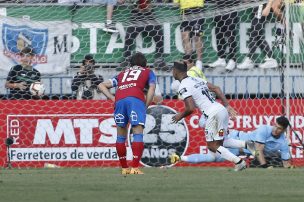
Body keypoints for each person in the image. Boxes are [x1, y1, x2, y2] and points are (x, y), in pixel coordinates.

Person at [171, 61, 256, 171]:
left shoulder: (183, 85)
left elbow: (190, 108)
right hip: (221, 109)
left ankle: (239, 162)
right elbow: (216, 88)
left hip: (213, 114)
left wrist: (180, 115)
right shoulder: (196, 79)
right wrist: (227, 106)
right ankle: (246, 144)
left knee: (212, 145)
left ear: (176, 71)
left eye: (172, 70)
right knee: (221, 141)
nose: (172, 72)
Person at [98, 52, 156, 175]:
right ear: (145, 64)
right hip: (135, 99)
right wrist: (145, 105)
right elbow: (152, 88)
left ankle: (124, 168)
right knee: (137, 132)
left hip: (120, 100)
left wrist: (113, 99)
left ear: (131, 64)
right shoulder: (148, 72)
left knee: (120, 135)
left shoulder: (122, 74)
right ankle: (135, 167)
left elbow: (101, 85)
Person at [171, 116, 294, 169]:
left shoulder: (283, 142)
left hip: (238, 150)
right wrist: (265, 166)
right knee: (216, 134)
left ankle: (180, 157)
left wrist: (289, 167)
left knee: (211, 158)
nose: (275, 129)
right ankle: (204, 121)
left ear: (283, 130)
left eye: (279, 128)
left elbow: (286, 163)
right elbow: (258, 149)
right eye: (275, 126)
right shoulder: (264, 129)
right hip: (235, 138)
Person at [120, 0, 166, 71]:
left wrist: (146, 7)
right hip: (136, 16)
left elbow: (151, 5)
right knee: (129, 36)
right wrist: (137, 6)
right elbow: (122, 2)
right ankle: (127, 59)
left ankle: (159, 60)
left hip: (149, 16)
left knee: (159, 34)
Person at [237, 0, 284, 70]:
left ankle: (249, 60)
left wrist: (268, 5)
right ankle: (270, 59)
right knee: (258, 36)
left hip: (261, 6)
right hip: (258, 6)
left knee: (254, 32)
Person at [208, 0, 240, 71]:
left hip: (231, 9)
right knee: (219, 34)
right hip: (219, 9)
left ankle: (232, 60)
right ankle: (221, 58)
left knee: (230, 35)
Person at [174, 0, 204, 69]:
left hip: (197, 8)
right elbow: (175, 4)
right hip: (184, 11)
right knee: (185, 36)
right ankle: (188, 60)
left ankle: (199, 62)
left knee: (197, 36)